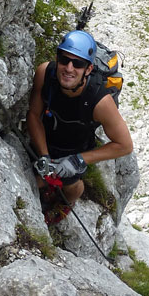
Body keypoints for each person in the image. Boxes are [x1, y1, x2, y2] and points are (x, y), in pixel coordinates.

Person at [27, 30, 133, 223]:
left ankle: (65, 203)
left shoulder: (100, 101)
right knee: (35, 181)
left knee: (72, 188)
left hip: (75, 150)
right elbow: (34, 115)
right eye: (64, 60)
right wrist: (44, 155)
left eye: (78, 64)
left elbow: (125, 145)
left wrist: (79, 160)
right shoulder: (45, 73)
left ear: (88, 69)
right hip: (44, 141)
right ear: (57, 59)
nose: (69, 68)